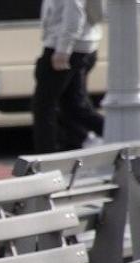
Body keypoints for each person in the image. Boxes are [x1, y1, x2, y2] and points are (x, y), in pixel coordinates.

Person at [31, 0, 106, 153]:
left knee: (44, 106)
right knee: (74, 105)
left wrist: (63, 51)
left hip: (66, 49)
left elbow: (74, 15)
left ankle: (46, 156)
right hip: (83, 46)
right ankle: (117, 135)